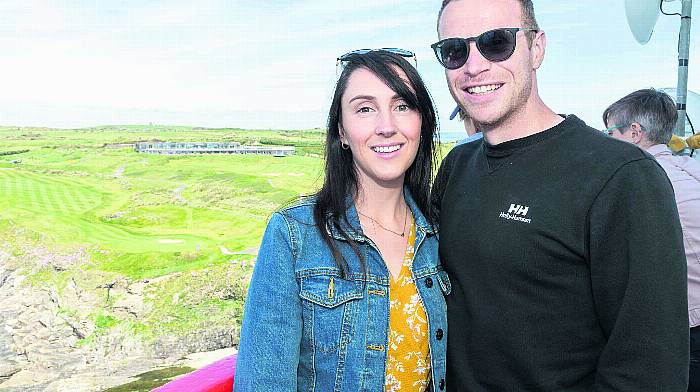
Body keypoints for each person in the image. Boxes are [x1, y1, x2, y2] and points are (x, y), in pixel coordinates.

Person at [429, 0, 689, 390]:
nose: (474, 65)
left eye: (496, 42)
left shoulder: (621, 177)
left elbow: (649, 369)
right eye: (454, 50)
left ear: (537, 49)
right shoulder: (457, 165)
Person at [234, 49, 449, 391]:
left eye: (402, 106)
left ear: (422, 123)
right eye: (365, 109)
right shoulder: (294, 235)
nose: (386, 126)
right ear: (343, 132)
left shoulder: (440, 234)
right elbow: (263, 382)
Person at [604, 88, 700, 391]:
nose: (605, 142)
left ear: (634, 133)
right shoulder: (693, 170)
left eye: (609, 132)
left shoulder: (634, 184)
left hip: (682, 329)